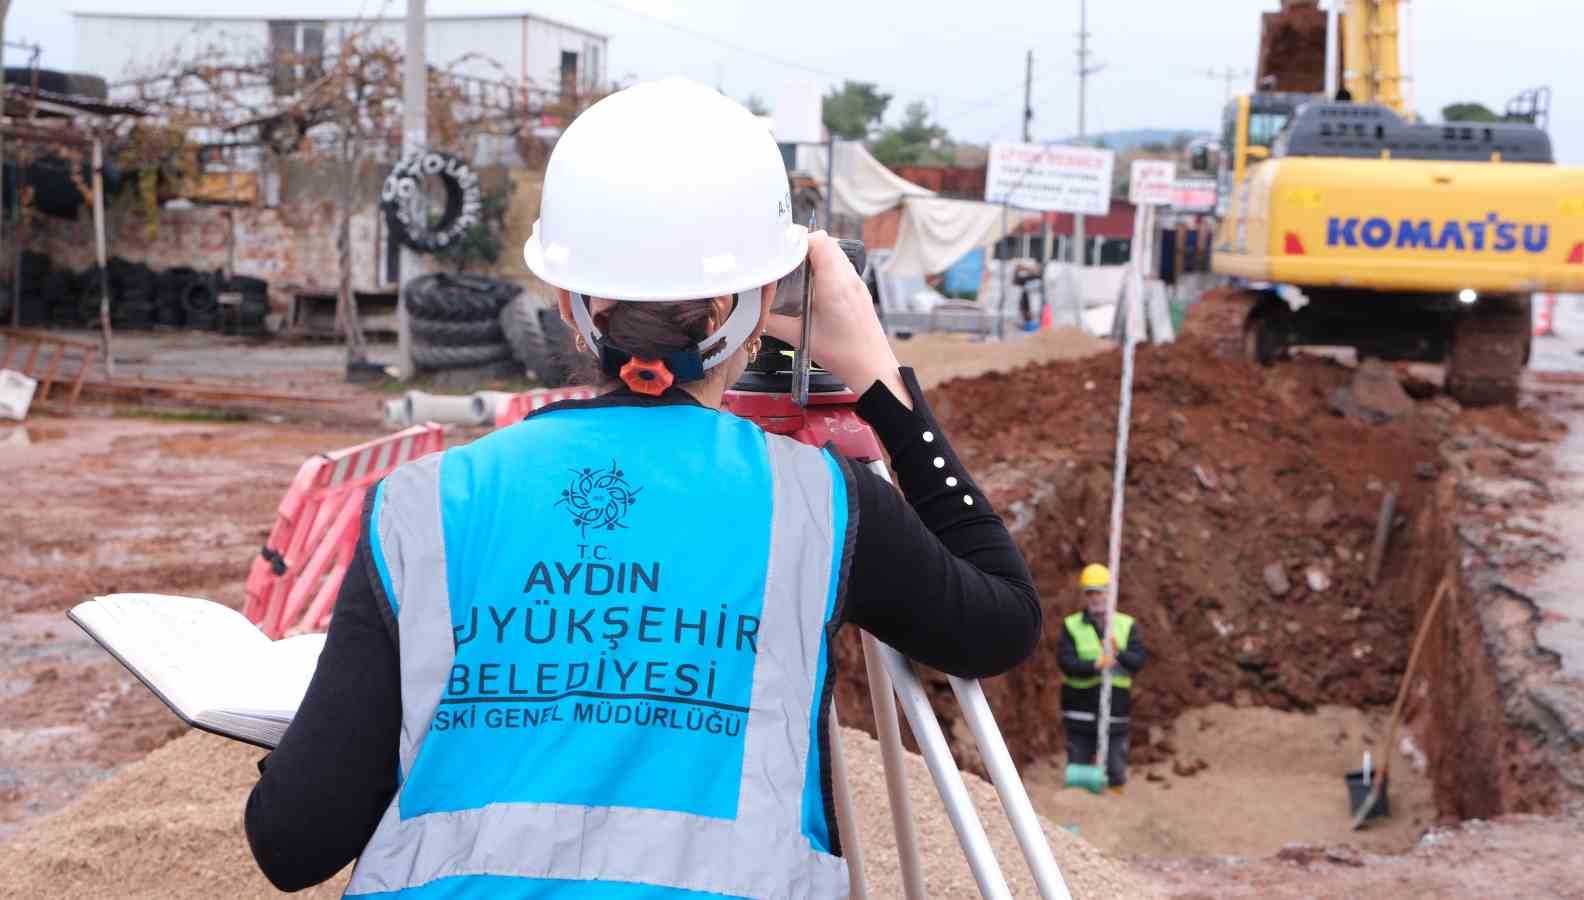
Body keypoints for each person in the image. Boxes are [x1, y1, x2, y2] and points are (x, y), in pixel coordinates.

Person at [244, 78, 1041, 898]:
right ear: (760, 299)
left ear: (567, 302)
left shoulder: (421, 506)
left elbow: (293, 843)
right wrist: (877, 377)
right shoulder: (819, 506)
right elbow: (1000, 623)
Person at [1057, 563, 1147, 793]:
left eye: (1100, 591)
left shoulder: (1125, 625)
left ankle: (1115, 801)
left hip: (1115, 709)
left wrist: (1119, 654)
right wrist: (1095, 665)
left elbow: (1137, 662)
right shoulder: (1072, 625)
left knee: (1115, 768)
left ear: (1110, 592)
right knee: (1078, 765)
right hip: (1080, 709)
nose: (1095, 597)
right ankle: (1079, 806)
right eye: (1090, 592)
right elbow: (1066, 663)